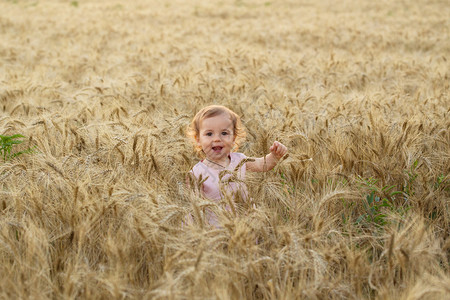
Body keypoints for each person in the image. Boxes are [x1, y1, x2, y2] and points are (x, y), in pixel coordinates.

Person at [186, 105, 288, 226]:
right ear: (198, 139)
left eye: (224, 133)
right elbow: (196, 206)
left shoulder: (240, 160)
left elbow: (262, 165)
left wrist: (274, 156)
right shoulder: (197, 172)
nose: (217, 139)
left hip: (245, 223)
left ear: (233, 138)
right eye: (209, 134)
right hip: (217, 229)